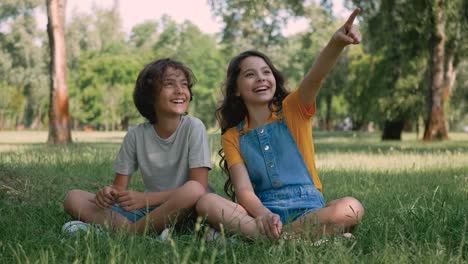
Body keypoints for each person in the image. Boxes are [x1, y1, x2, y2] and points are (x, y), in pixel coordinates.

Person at [196, 8, 364, 241]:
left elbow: (315, 77)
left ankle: (271, 238)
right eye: (250, 75)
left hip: (309, 210)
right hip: (261, 213)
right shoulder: (233, 135)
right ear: (235, 89)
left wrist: (336, 43)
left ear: (274, 78)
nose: (261, 78)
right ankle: (298, 237)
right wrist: (264, 216)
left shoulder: (293, 108)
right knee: (206, 201)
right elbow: (244, 191)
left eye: (266, 72)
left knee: (351, 207)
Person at [63, 58, 211, 235]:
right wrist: (108, 194)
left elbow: (200, 187)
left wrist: (145, 199)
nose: (180, 91)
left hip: (188, 209)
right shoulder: (135, 134)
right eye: (169, 84)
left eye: (184, 84)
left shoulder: (194, 127)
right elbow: (119, 189)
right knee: (73, 197)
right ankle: (143, 230)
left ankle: (129, 232)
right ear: (150, 95)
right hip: (149, 211)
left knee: (193, 189)